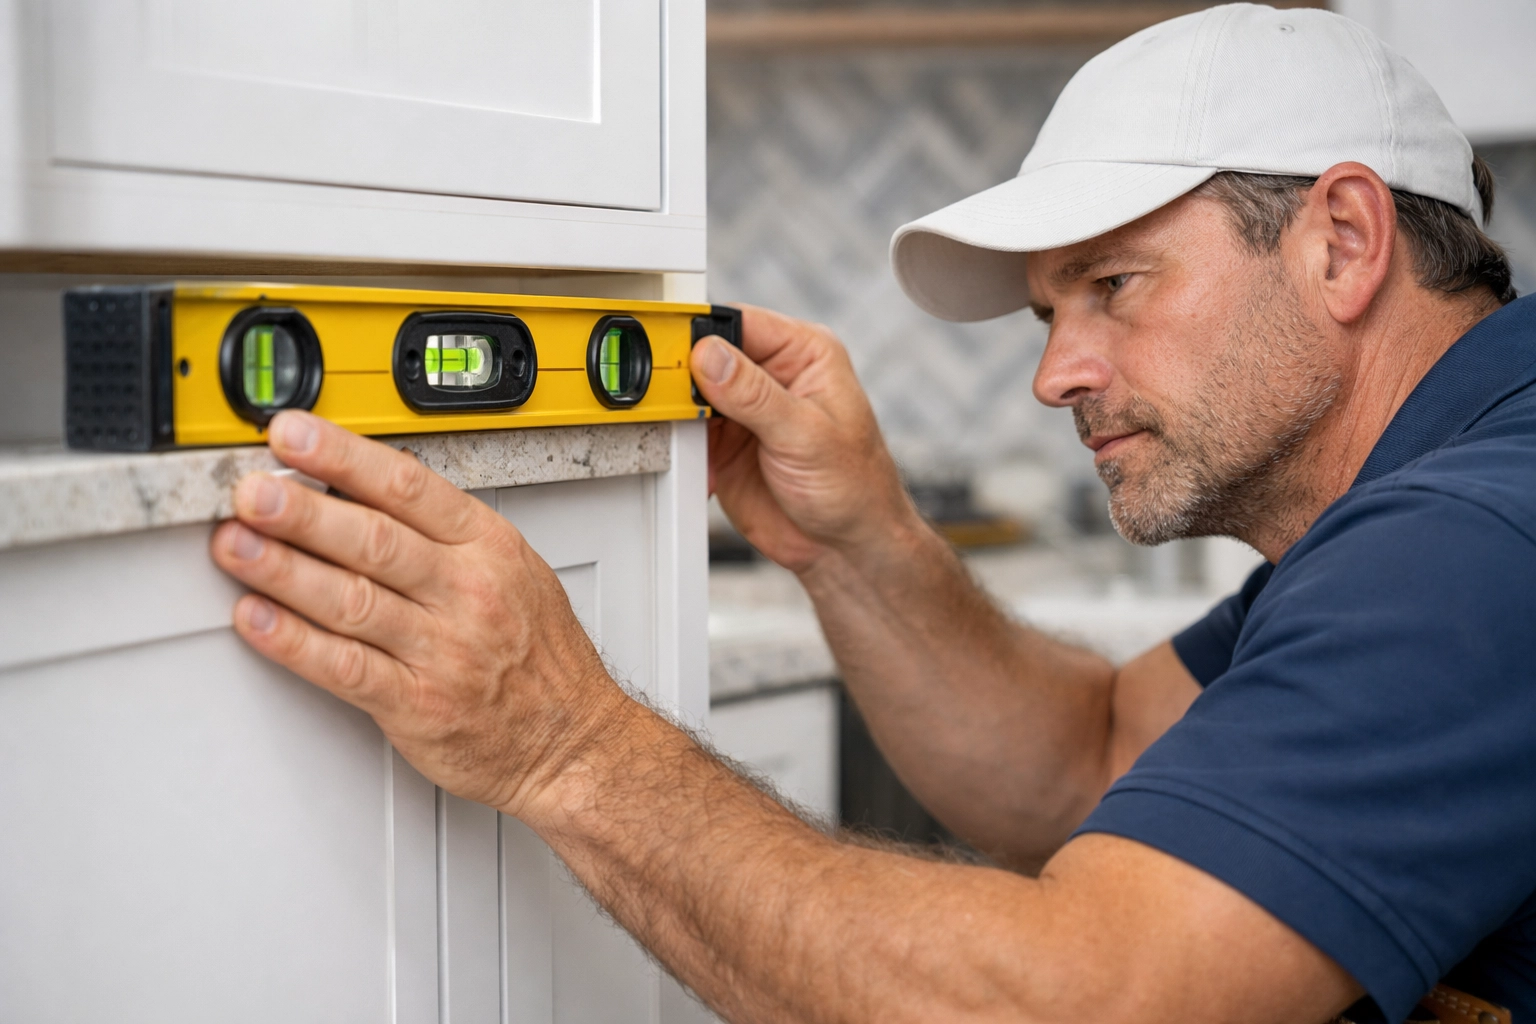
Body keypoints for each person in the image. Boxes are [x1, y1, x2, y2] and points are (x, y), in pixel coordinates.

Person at [209, 6, 1534, 1023]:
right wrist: (857, 544)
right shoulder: (1427, 505)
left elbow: (1082, 1002)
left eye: (1114, 284)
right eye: (1045, 312)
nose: (1052, 373)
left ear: (1345, 242)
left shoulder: (1472, 544)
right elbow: (1092, 755)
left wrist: (564, 742)